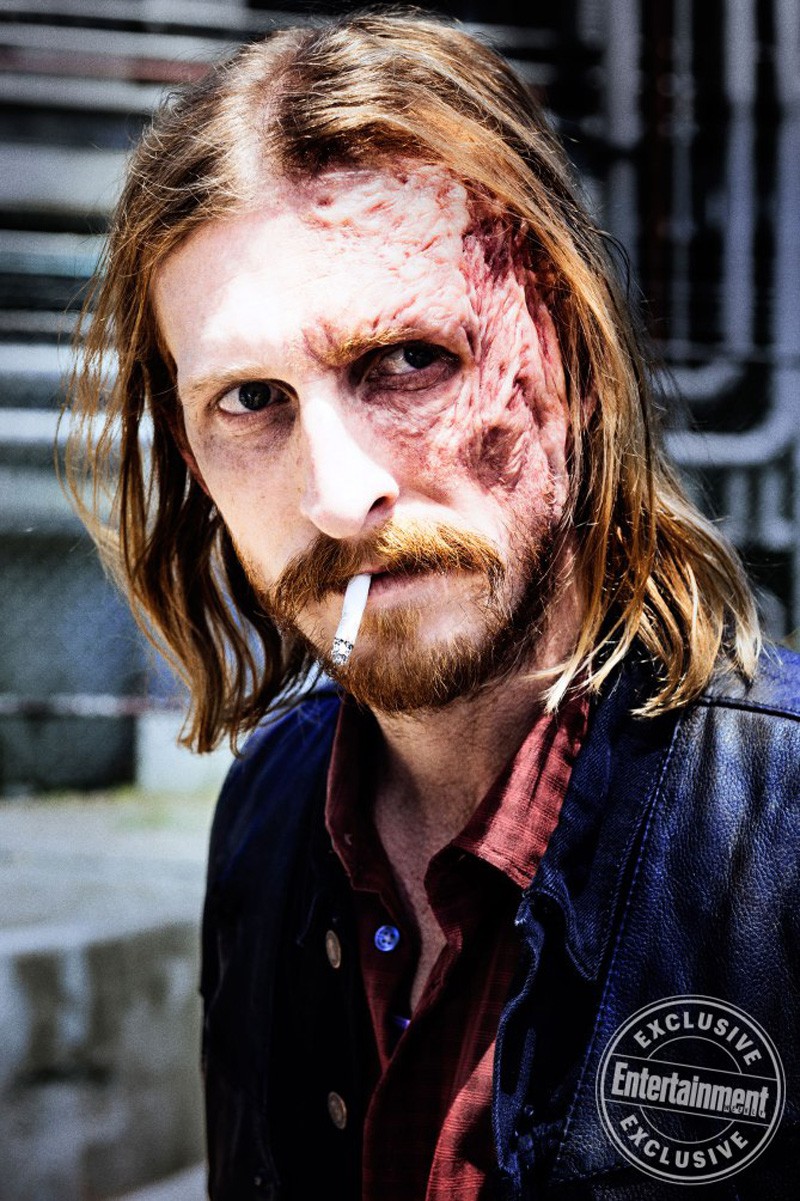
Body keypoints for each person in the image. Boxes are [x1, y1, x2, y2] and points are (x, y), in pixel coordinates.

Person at [67, 10, 799, 1199]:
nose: (337, 495)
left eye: (408, 358)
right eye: (251, 399)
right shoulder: (269, 810)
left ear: (572, 358)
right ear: (190, 456)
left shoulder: (776, 831)